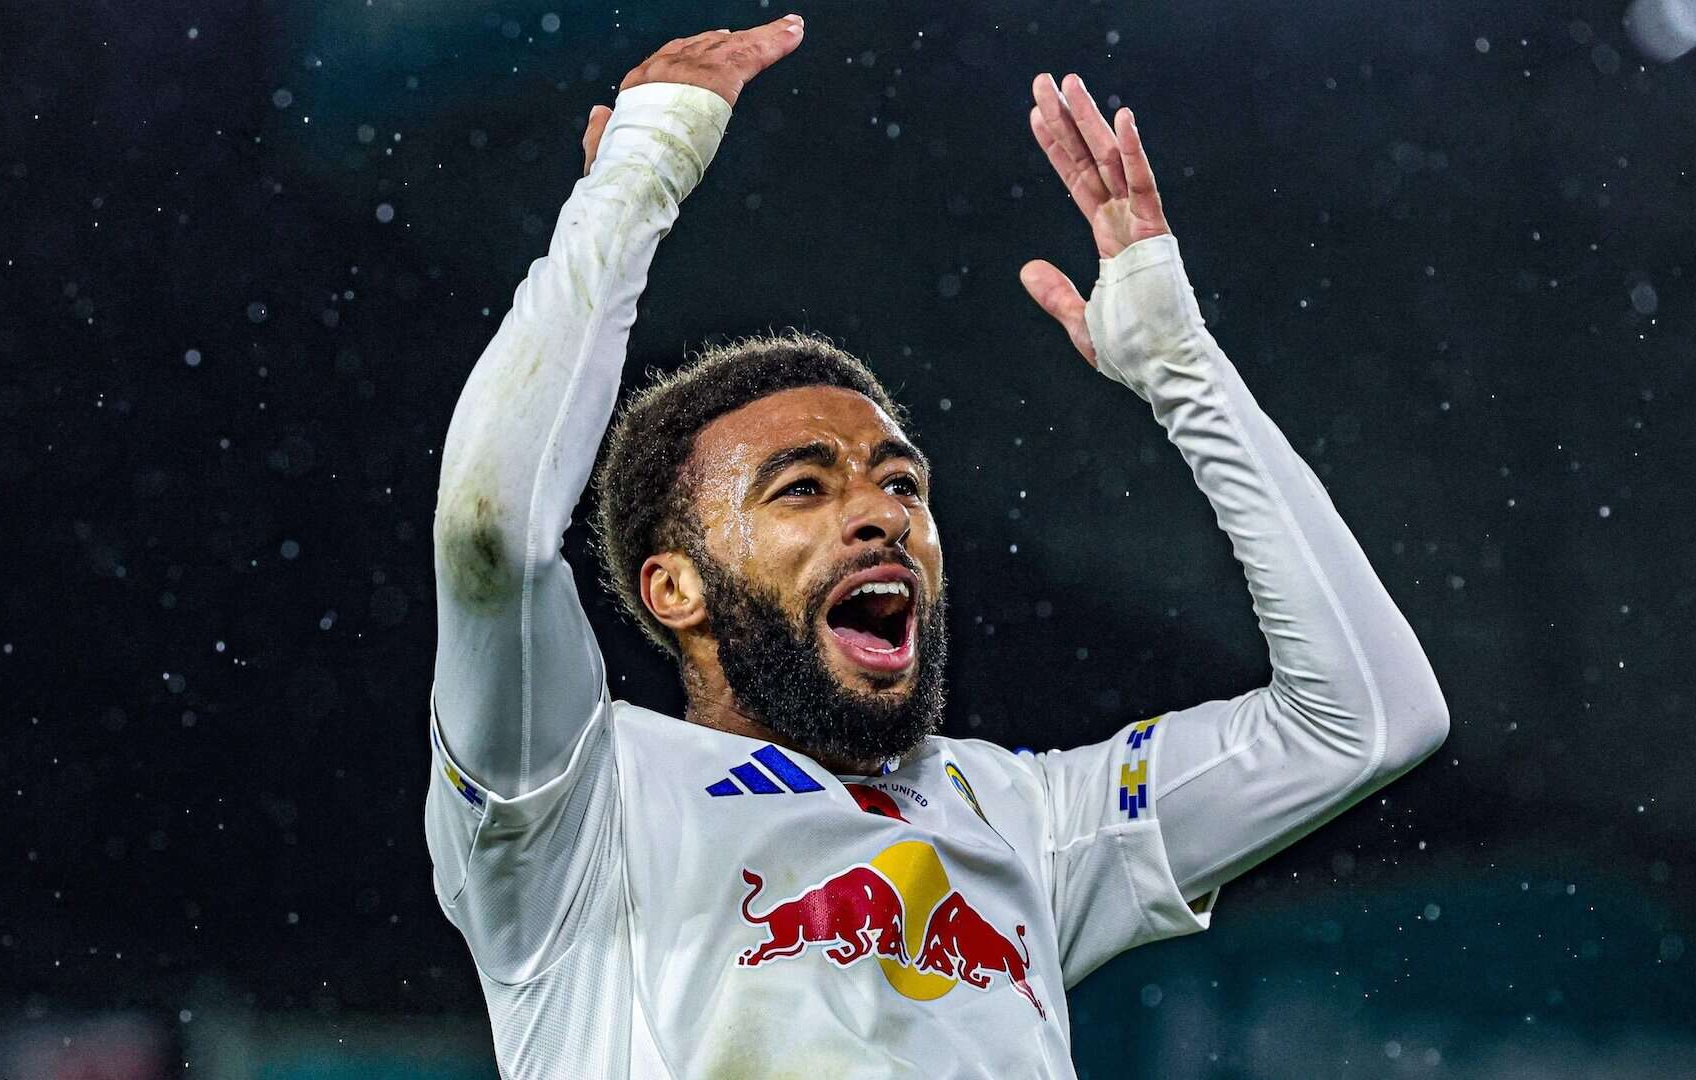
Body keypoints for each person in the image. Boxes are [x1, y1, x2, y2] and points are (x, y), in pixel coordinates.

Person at [426, 15, 1449, 1077]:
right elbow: (490, 531)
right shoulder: (573, 805)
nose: (883, 517)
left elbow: (1368, 723)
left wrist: (1182, 370)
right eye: (804, 488)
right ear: (675, 586)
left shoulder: (1020, 820)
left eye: (901, 482)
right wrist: (637, 178)